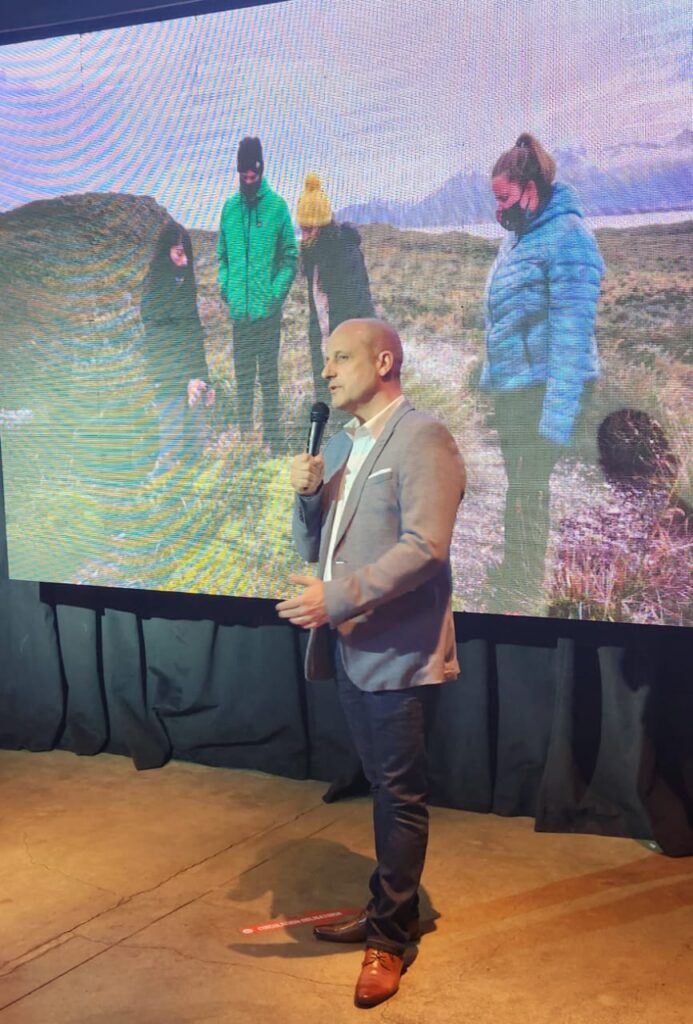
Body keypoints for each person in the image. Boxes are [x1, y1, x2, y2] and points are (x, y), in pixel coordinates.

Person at [276, 318, 465, 1009]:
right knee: (383, 790)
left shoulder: (422, 438)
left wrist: (337, 597)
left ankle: (388, 937)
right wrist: (306, 493)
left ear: (383, 361)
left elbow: (425, 548)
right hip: (351, 648)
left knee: (398, 795)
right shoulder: (343, 443)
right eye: (325, 360)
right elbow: (315, 546)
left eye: (340, 358)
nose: (326, 372)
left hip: (398, 654)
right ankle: (388, 909)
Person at [480, 132, 604, 610]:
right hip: (515, 388)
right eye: (495, 200)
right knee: (520, 485)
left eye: (505, 198)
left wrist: (556, 421)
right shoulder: (517, 236)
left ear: (532, 190)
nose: (499, 210)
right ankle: (515, 574)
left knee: (530, 486)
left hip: (545, 389)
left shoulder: (569, 237)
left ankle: (522, 591)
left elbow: (572, 339)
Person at [217, 137, 298, 454]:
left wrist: (273, 296)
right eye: (243, 172)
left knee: (269, 381)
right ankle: (245, 442)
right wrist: (227, 288)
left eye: (253, 172)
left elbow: (290, 258)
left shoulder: (277, 208)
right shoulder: (229, 209)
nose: (248, 177)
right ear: (238, 171)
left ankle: (274, 444)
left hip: (267, 315)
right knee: (243, 382)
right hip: (240, 315)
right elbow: (222, 257)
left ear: (261, 169)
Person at [140, 220, 215, 476]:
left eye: (187, 255)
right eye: (179, 254)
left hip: (190, 377)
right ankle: (158, 495)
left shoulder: (184, 287)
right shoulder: (154, 294)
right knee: (170, 449)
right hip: (168, 379)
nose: (184, 262)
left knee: (197, 447)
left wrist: (204, 379)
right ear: (165, 253)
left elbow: (194, 338)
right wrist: (186, 380)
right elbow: (164, 344)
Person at [296, 173, 375, 403]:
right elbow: (316, 312)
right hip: (324, 348)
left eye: (310, 230)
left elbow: (359, 310)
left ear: (323, 227)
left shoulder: (346, 255)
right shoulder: (314, 256)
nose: (305, 237)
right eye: (302, 230)